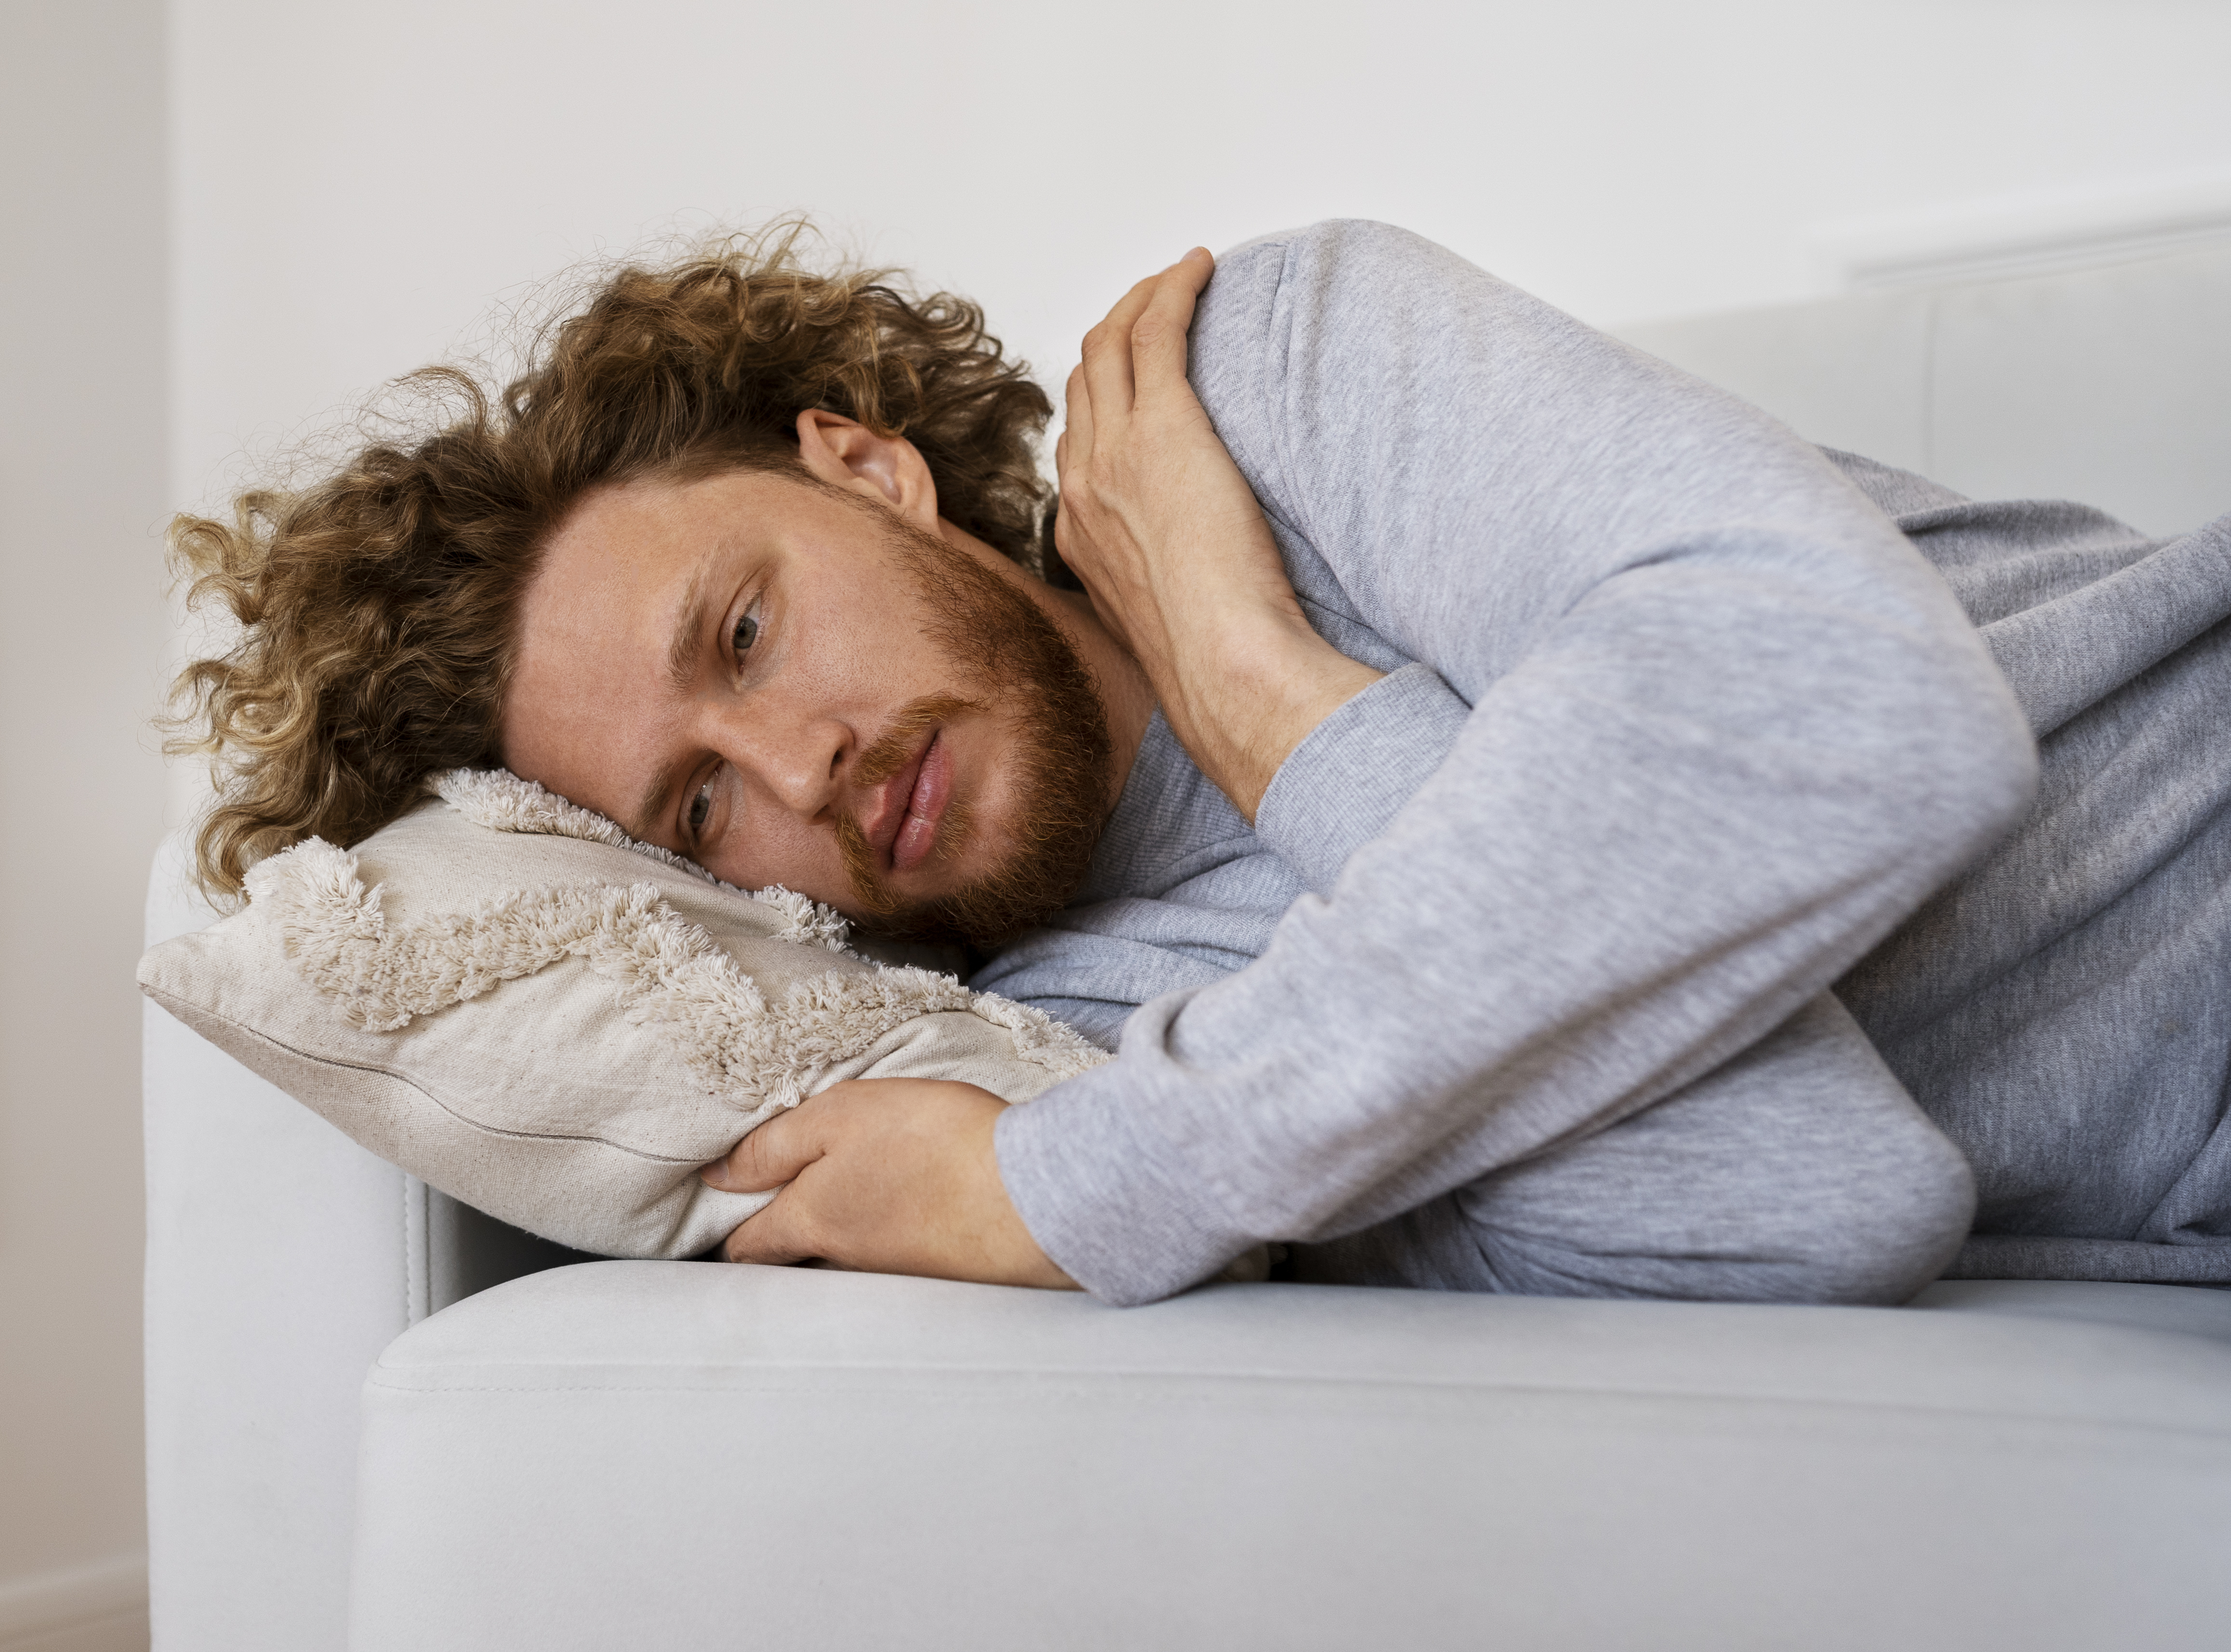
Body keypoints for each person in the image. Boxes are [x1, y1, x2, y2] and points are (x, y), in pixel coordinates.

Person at [168, 221, 2231, 1307]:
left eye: (744, 628)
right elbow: (1816, 1205)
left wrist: (1247, 669)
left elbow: (1855, 715)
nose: (798, 762)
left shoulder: (1269, 382)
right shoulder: (1071, 1036)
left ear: (869, 468)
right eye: (694, 806)